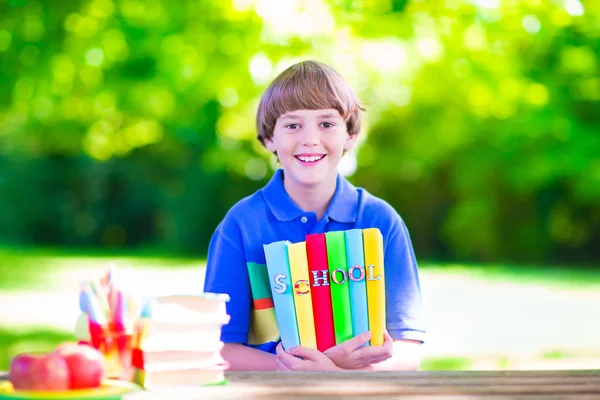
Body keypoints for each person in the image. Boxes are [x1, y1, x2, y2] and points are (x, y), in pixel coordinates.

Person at [202, 60, 425, 371]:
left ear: (351, 135)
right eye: (293, 125)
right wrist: (297, 371)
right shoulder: (240, 225)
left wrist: (336, 376)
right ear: (269, 138)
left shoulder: (381, 221)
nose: (309, 139)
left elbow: (408, 352)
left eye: (326, 124)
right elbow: (220, 348)